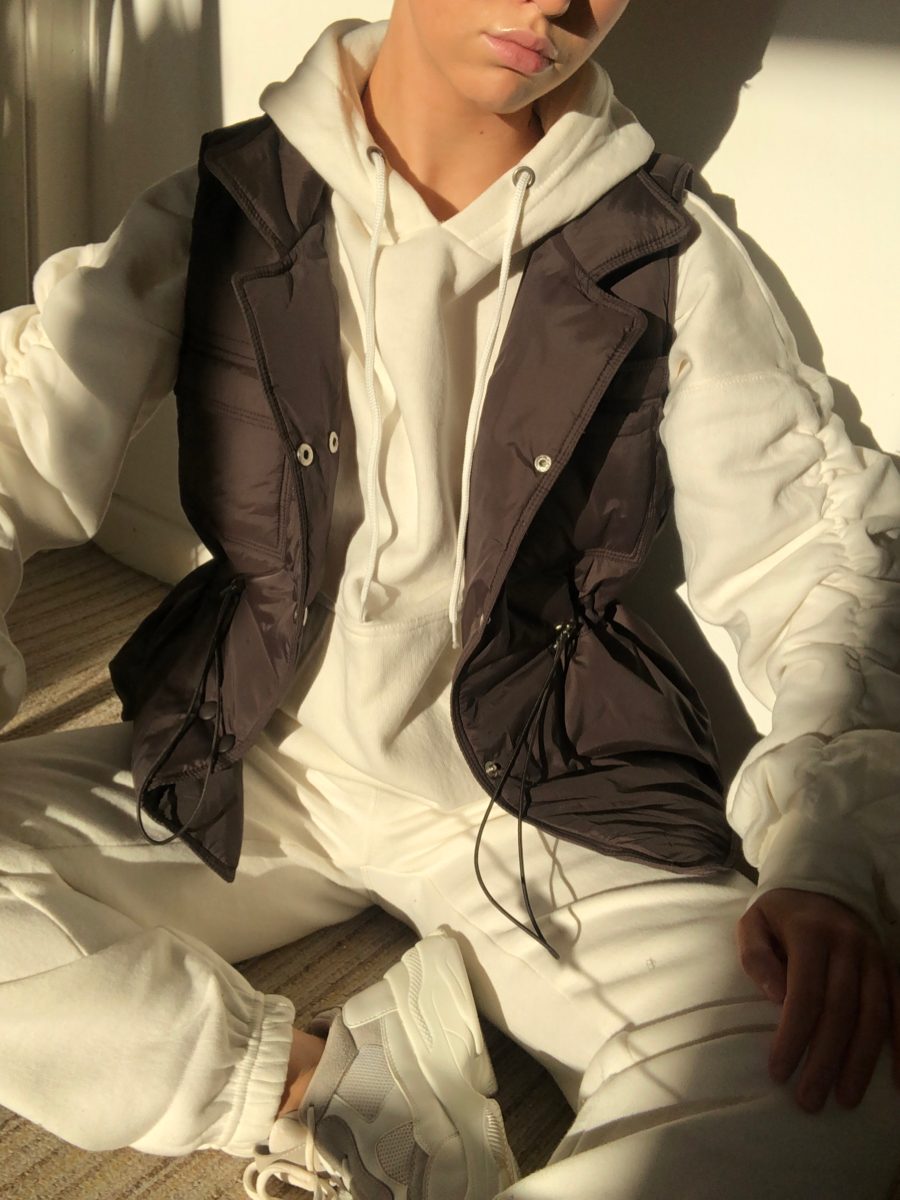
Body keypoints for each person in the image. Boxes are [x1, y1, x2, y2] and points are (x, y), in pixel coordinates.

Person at [1, 2, 899, 1197]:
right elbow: (16, 436)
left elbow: (816, 552)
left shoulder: (660, 246)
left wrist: (829, 851)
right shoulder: (228, 207)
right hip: (249, 756)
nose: (554, 4)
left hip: (539, 792)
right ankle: (337, 1099)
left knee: (829, 1080)